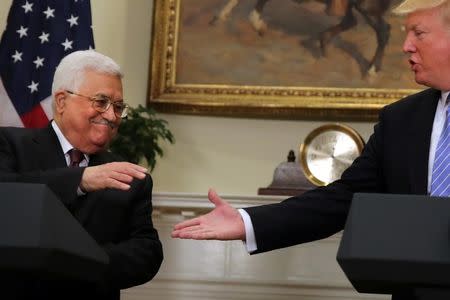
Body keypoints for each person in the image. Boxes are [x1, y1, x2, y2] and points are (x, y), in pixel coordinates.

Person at [172, 0, 450, 299]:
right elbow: (343, 199)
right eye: (405, 34)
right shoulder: (402, 119)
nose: (406, 46)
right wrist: (248, 221)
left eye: (418, 33)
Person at [0, 50, 163, 300]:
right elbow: (6, 194)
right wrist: (81, 180)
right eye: (101, 102)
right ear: (62, 101)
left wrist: (82, 262)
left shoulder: (129, 176)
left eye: (118, 107)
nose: (111, 115)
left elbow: (147, 253)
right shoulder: (10, 144)